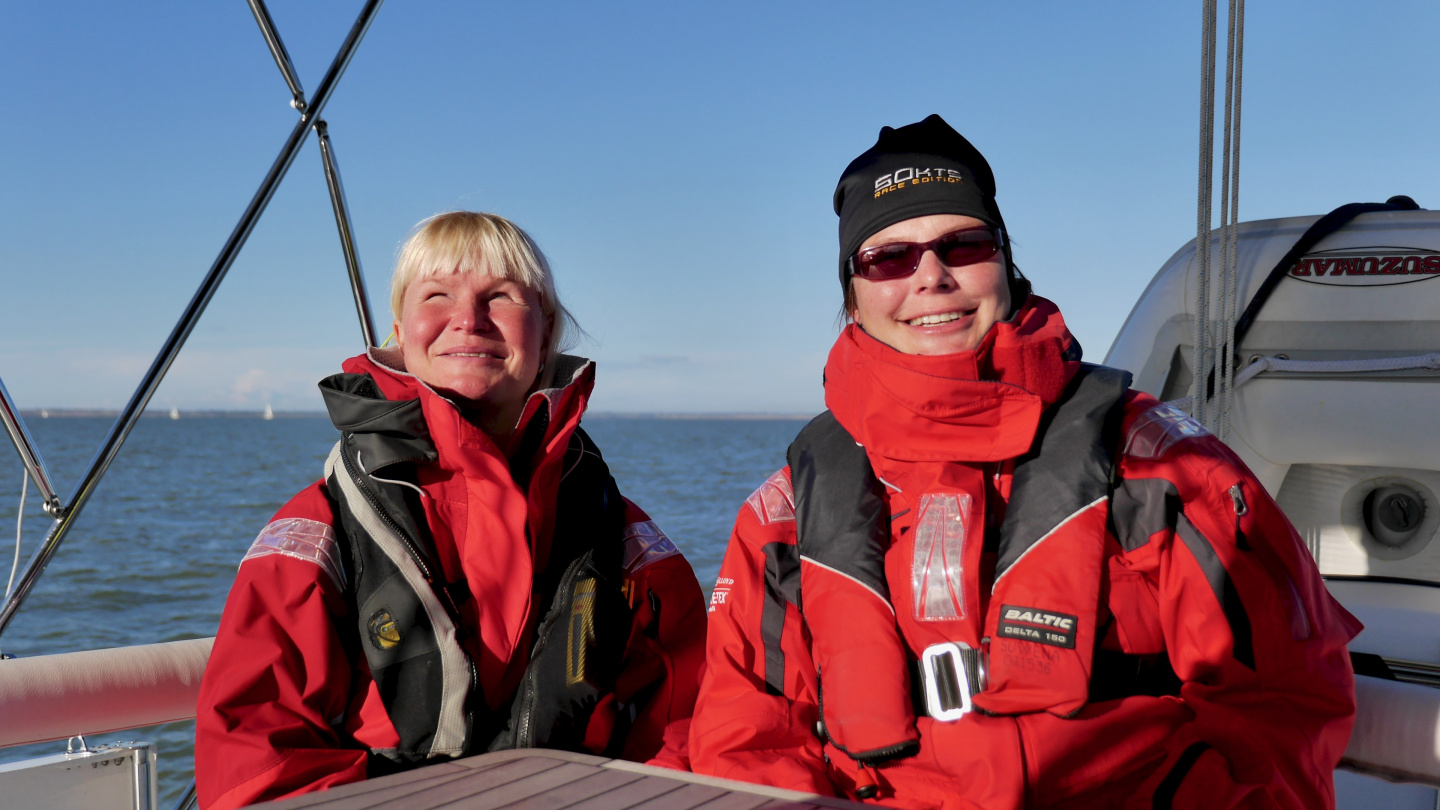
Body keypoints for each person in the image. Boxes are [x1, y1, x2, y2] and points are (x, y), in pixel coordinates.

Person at [687, 115, 1360, 809]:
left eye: (964, 245)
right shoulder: (785, 515)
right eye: (888, 258)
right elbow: (748, 741)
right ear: (852, 296)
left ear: (1005, 260)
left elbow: (1281, 708)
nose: (931, 277)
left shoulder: (1163, 472)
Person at [195, 212, 706, 809]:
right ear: (400, 333)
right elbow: (256, 764)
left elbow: (688, 725)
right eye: (436, 295)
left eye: (502, 296)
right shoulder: (319, 534)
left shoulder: (619, 535)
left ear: (546, 332)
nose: (468, 317)